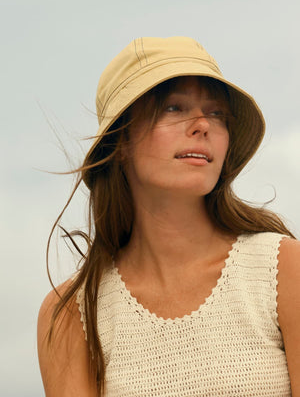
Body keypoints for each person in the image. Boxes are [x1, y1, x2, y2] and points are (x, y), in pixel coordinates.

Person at [37, 37, 300, 396]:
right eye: (174, 108)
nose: (202, 125)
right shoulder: (72, 312)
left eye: (216, 113)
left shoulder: (283, 269)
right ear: (121, 142)